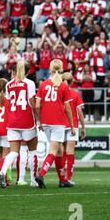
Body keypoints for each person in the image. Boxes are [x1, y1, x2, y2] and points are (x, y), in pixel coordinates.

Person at [0, 61, 39, 188]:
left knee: (14, 152)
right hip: (26, 120)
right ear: (28, 71)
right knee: (32, 151)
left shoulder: (9, 84)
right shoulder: (29, 83)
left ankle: (2, 171)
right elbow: (32, 102)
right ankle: (33, 180)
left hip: (13, 121)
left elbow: (9, 102)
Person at [35, 59, 75, 189]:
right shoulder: (63, 86)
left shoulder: (43, 84)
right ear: (62, 69)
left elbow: (37, 105)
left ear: (50, 69)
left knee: (59, 151)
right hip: (57, 122)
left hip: (46, 122)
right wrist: (72, 126)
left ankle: (63, 180)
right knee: (54, 150)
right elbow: (68, 108)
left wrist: (39, 121)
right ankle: (41, 174)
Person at [62, 72, 86, 185]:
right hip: (73, 126)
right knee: (70, 151)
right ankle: (68, 178)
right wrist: (83, 127)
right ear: (72, 82)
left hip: (60, 125)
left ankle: (62, 178)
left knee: (61, 152)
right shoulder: (75, 94)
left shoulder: (58, 93)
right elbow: (79, 112)